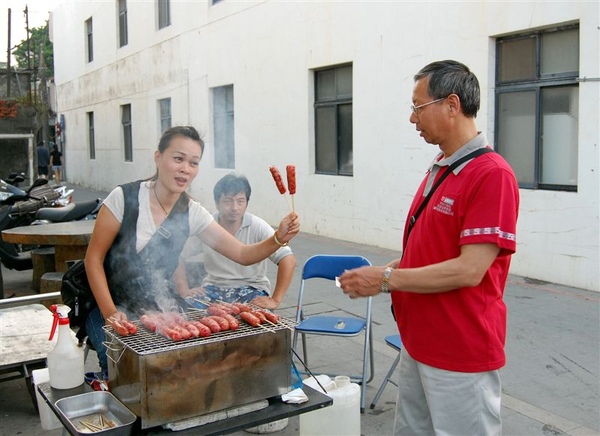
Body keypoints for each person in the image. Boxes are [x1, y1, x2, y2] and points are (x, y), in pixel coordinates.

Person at [338, 60, 519, 435]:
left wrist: (387, 278)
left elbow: (470, 270)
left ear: (452, 105)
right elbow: (426, 251)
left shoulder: (491, 175)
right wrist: (375, 275)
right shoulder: (442, 166)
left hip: (459, 350)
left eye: (418, 107)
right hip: (419, 343)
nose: (411, 119)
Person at [84, 126, 300, 380]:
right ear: (158, 157)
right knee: (116, 369)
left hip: (157, 305)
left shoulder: (192, 212)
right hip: (106, 302)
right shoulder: (124, 197)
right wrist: (111, 313)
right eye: (178, 159)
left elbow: (242, 254)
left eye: (193, 162)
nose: (186, 168)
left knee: (181, 367)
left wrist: (277, 238)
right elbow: (93, 260)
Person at [175, 173, 296, 309]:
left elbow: (287, 259)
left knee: (252, 319)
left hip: (251, 288)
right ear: (217, 203)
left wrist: (275, 299)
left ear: (247, 203)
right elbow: (176, 255)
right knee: (187, 311)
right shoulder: (207, 226)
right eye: (228, 201)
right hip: (213, 288)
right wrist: (183, 290)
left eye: (240, 201)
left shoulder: (258, 226)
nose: (234, 207)